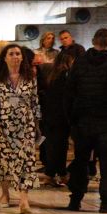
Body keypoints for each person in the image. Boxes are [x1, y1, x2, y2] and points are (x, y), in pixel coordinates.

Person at [65, 28, 107, 212]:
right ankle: (106, 201)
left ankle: (75, 199)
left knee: (81, 160)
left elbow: (70, 90)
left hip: (83, 120)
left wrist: (72, 118)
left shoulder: (79, 63)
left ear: (93, 40)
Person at [0, 44, 41, 214]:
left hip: (25, 126)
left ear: (22, 57)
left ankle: (24, 200)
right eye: (11, 54)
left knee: (25, 162)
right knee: (4, 160)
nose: (15, 56)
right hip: (3, 125)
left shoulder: (30, 77)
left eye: (18, 54)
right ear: (5, 58)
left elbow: (35, 102)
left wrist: (37, 126)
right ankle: (5, 193)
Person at [38, 50, 75, 186]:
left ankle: (57, 173)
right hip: (61, 118)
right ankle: (54, 174)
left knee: (52, 146)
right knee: (59, 147)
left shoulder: (51, 75)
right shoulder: (65, 76)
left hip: (49, 117)